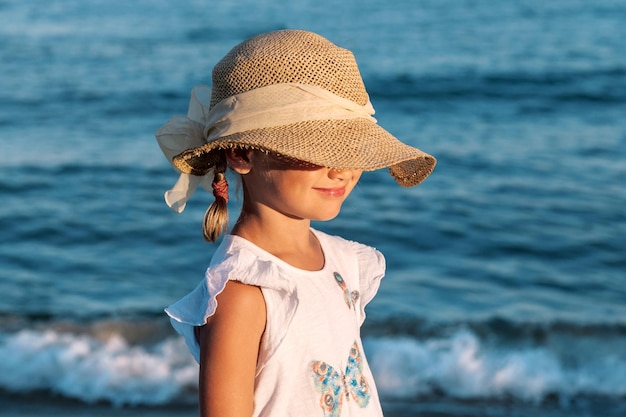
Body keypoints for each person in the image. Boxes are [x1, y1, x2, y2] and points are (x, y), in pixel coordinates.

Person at [155, 29, 436, 417]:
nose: (341, 170)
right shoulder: (245, 291)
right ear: (240, 153)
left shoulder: (343, 261)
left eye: (350, 147)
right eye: (316, 148)